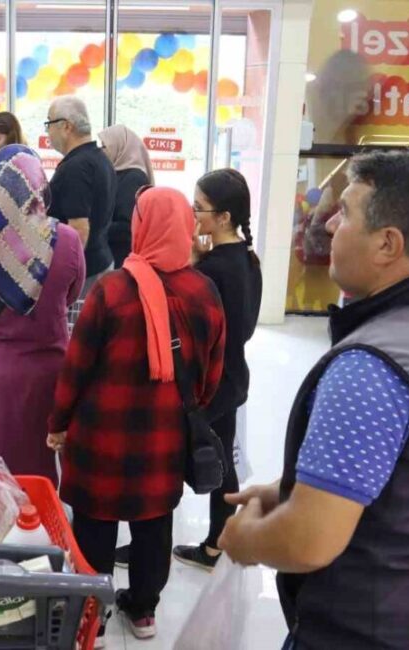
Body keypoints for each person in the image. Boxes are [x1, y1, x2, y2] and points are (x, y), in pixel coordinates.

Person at [219, 151, 409, 649]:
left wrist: (243, 541)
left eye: (348, 213)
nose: (332, 222)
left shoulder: (373, 366)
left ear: (387, 244)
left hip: (383, 633)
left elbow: (308, 541)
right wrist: (296, 488)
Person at [47, 186, 226, 643]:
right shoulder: (205, 292)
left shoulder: (111, 291)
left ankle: (95, 617)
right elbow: (211, 375)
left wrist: (59, 422)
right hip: (163, 438)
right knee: (153, 524)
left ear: (141, 226)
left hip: (101, 438)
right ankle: (144, 612)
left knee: (94, 525)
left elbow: (77, 368)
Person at [0, 145, 85, 481]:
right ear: (40, 186)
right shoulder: (66, 240)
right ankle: (37, 529)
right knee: (37, 471)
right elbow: (71, 295)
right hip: (46, 375)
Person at [171, 168, 263, 570]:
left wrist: (190, 264)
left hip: (209, 382)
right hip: (233, 376)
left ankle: (152, 545)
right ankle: (215, 544)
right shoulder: (245, 257)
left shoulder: (210, 271)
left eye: (199, 209)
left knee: (174, 457)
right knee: (222, 459)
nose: (194, 216)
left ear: (223, 217)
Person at [45, 96, 116, 293]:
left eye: (49, 123)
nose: (48, 132)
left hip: (84, 274)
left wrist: (64, 280)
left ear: (66, 126)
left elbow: (79, 230)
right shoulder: (99, 158)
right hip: (100, 260)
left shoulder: (76, 168)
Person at [99, 124, 154, 266]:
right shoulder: (117, 173)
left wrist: (96, 227)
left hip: (121, 257)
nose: (101, 151)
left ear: (119, 146)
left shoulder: (133, 178)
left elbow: (127, 227)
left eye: (104, 146)